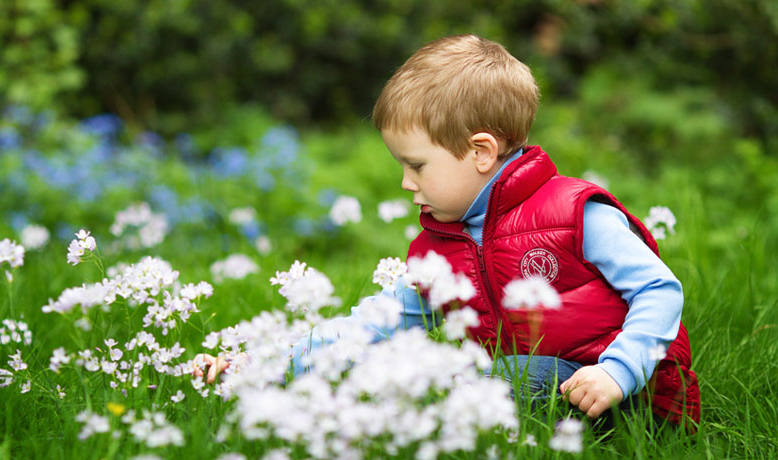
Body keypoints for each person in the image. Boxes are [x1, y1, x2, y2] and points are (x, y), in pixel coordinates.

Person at [195, 34, 700, 428]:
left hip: (623, 392)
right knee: (420, 372)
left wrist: (618, 371)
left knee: (494, 380)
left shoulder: (575, 213)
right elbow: (374, 324)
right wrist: (266, 364)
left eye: (416, 165)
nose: (404, 182)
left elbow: (659, 291)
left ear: (480, 152)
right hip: (528, 392)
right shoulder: (442, 243)